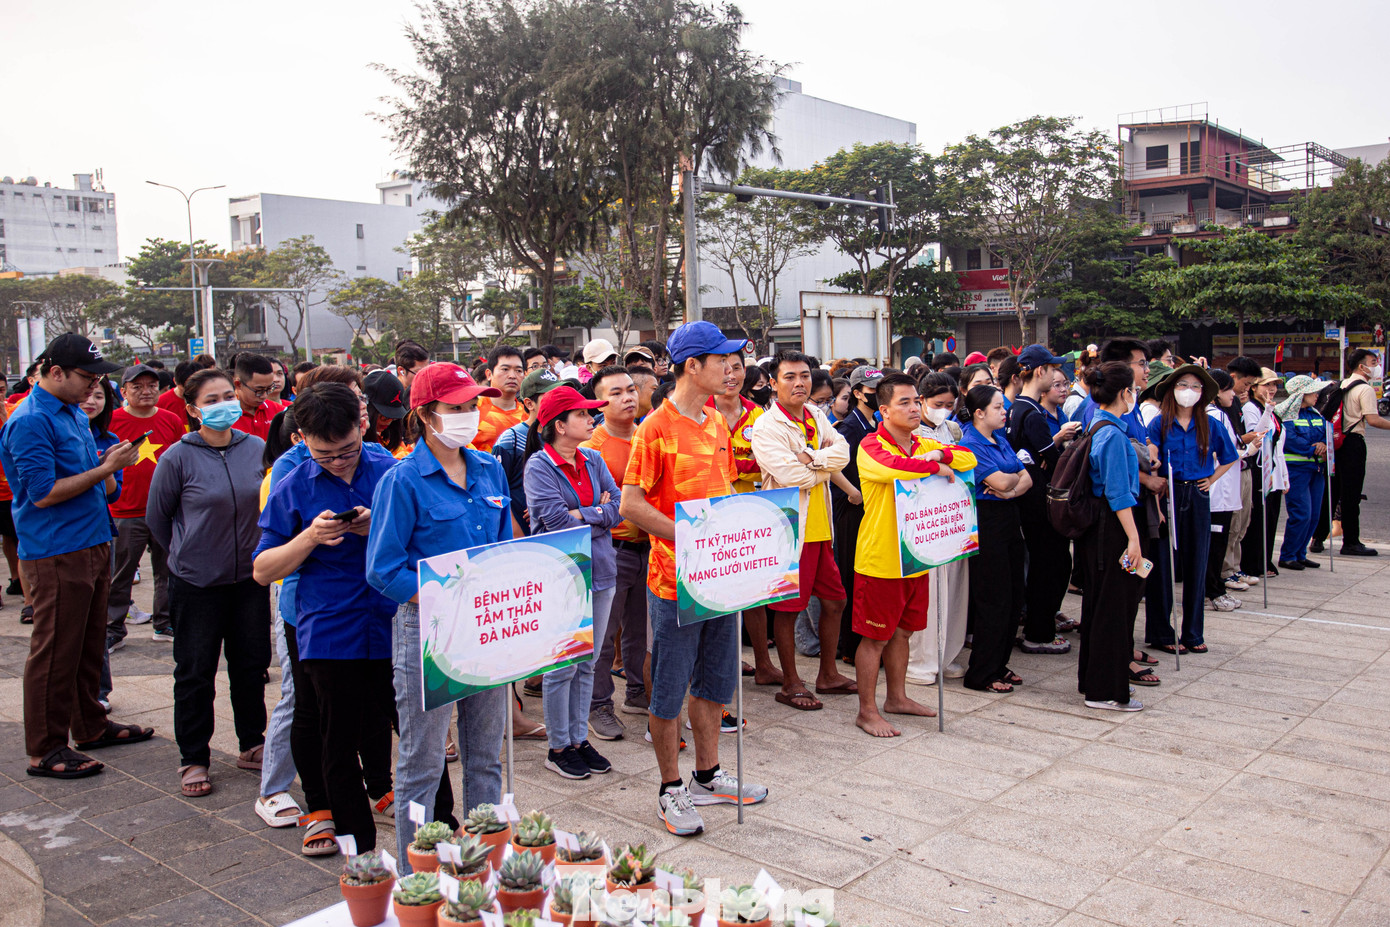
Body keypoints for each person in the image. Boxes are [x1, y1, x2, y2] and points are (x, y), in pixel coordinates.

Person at [618, 321, 768, 837]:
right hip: (673, 582)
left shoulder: (716, 422)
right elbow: (631, 504)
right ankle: (669, 788)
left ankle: (708, 775)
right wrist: (691, 537)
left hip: (720, 576)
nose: (732, 368)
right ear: (692, 366)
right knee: (668, 689)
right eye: (721, 360)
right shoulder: (654, 428)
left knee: (716, 681)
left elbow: (721, 493)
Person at [366, 363, 511, 871]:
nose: (468, 415)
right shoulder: (401, 480)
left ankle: (483, 861)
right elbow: (383, 570)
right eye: (455, 407)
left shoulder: (490, 469)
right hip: (427, 630)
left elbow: (503, 548)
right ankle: (415, 874)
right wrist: (442, 596)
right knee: (422, 763)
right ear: (425, 415)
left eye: (472, 406)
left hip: (485, 627)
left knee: (485, 757)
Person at [254, 383, 398, 852]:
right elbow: (262, 569)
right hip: (330, 629)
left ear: (363, 426)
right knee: (334, 737)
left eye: (347, 450)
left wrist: (377, 525)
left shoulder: (391, 471)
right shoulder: (293, 483)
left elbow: (425, 541)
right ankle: (358, 848)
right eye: (324, 455)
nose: (338, 462)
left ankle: (436, 827)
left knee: (411, 730)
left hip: (393, 621)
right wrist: (310, 537)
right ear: (301, 438)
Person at [0, 334, 150, 780]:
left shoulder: (72, 413)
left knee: (88, 644)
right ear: (55, 372)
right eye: (87, 376)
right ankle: (45, 748)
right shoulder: (31, 420)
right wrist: (105, 469)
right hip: (57, 549)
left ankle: (90, 725)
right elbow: (43, 493)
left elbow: (92, 478)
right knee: (55, 651)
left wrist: (109, 466)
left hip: (92, 539)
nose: (94, 386)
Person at [147, 367, 271, 798]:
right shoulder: (177, 457)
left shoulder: (255, 448)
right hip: (196, 583)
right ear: (193, 409)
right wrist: (188, 554)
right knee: (195, 671)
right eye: (211, 400)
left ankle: (252, 742)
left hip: (250, 579)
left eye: (227, 397)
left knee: (251, 666)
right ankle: (194, 756)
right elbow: (158, 519)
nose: (223, 406)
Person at [852, 373, 974, 736]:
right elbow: (893, 468)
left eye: (916, 401)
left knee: (904, 632)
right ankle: (866, 711)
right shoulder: (871, 445)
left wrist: (939, 453)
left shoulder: (923, 443)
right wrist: (936, 466)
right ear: (884, 411)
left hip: (917, 555)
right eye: (903, 402)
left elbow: (968, 458)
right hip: (881, 558)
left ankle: (897, 697)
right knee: (875, 638)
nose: (914, 408)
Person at [521, 386, 621, 779]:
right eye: (581, 414)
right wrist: (596, 512)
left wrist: (583, 513)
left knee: (587, 662)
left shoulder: (593, 458)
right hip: (563, 576)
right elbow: (557, 523)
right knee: (562, 664)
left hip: (602, 570)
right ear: (559, 425)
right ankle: (558, 745)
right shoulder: (539, 466)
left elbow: (618, 508)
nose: (591, 419)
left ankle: (579, 738)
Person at [751, 351, 857, 711]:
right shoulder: (766, 426)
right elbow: (790, 475)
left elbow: (843, 453)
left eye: (805, 376)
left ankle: (827, 674)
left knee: (835, 600)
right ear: (773, 383)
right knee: (788, 608)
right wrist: (822, 461)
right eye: (790, 377)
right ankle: (791, 682)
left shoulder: (815, 414)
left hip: (821, 528)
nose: (799, 383)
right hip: (790, 528)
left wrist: (812, 459)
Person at [1145, 365, 1237, 654]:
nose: (1189, 391)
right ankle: (1161, 632)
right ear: (1172, 389)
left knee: (1197, 562)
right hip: (1167, 493)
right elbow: (1151, 459)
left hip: (1197, 494)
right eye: (1183, 385)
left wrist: (1211, 479)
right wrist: (1156, 495)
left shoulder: (1211, 424)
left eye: (1196, 387)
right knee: (1162, 565)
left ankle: (1193, 633)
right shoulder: (1159, 423)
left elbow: (1230, 456)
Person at [1079, 361, 1151, 711]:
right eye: (1133, 389)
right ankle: (1105, 690)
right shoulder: (1112, 435)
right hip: (1113, 528)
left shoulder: (1098, 425)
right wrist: (1134, 539)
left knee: (1101, 606)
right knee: (1113, 610)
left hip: (1101, 528)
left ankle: (1095, 681)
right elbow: (1119, 494)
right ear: (1125, 392)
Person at [585, 367, 651, 739]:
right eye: (616, 393)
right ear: (598, 402)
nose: (627, 397)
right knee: (603, 635)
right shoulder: (591, 446)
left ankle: (638, 692)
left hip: (650, 547)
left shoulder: (647, 435)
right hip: (610, 549)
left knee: (640, 631)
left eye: (630, 390)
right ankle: (598, 705)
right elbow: (594, 503)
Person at [707, 356, 777, 686]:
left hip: (752, 511)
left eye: (736, 368)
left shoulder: (760, 414)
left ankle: (764, 663)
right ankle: (719, 666)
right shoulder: (700, 412)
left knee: (754, 593)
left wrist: (737, 466)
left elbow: (769, 463)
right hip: (711, 514)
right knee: (715, 595)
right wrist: (742, 464)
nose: (730, 375)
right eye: (723, 367)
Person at [1006, 345, 1080, 655]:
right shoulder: (1032, 413)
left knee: (1045, 565)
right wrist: (1055, 451)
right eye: (1052, 370)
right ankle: (1039, 632)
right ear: (1040, 372)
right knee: (1049, 566)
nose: (1057, 377)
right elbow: (1053, 461)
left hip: (1030, 501)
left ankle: (1040, 627)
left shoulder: (1018, 407)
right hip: (1039, 504)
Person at [105, 365, 184, 650]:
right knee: (121, 574)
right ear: (123, 391)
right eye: (137, 386)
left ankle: (164, 623)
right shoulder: (111, 420)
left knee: (168, 571)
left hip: (166, 511)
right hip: (126, 512)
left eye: (152, 385)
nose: (146, 391)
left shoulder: (171, 419)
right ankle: (113, 628)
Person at [960, 385, 1031, 692]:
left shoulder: (999, 438)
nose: (1005, 412)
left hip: (1008, 515)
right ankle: (982, 672)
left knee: (1014, 595)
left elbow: (1026, 478)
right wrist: (1010, 483)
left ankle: (1000, 664)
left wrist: (1010, 490)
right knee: (994, 598)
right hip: (986, 522)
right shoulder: (970, 443)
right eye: (998, 408)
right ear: (979, 412)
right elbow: (1001, 480)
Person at [905, 373, 971, 685]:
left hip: (952, 518)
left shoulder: (953, 429)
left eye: (949, 404)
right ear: (922, 401)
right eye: (937, 403)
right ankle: (920, 660)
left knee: (954, 589)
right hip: (923, 522)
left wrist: (944, 455)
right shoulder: (910, 432)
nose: (943, 410)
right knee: (927, 593)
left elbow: (967, 459)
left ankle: (947, 653)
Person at [831, 365, 883, 666]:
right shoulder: (849, 428)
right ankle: (849, 645)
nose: (878, 394)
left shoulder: (875, 423)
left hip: (871, 508)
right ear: (858, 393)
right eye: (873, 390)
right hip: (851, 510)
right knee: (851, 575)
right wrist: (854, 493)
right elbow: (835, 467)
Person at [1202, 370, 1253, 612]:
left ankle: (1214, 588)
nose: (1233, 394)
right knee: (1215, 546)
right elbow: (1226, 453)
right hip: (1218, 492)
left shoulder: (1214, 414)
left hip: (1221, 491)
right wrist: (1250, 449)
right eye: (1228, 389)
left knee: (1216, 544)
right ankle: (1213, 591)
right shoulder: (1215, 415)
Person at [1333, 349, 1390, 556]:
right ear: (1361, 366)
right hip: (1353, 442)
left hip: (1337, 441)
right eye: (1373, 363)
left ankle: (1317, 538)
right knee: (1351, 493)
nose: (1376, 367)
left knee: (1334, 491)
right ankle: (1350, 542)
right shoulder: (1365, 389)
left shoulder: (1342, 384)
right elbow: (1373, 419)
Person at [1276, 375, 1330, 573]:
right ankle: (1288, 556)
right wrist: (1314, 448)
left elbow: (1326, 434)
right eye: (1313, 392)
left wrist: (1323, 443)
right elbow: (1290, 439)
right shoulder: (1286, 415)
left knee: (1314, 515)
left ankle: (1300, 554)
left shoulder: (1315, 414)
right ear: (1301, 394)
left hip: (1317, 470)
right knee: (1301, 514)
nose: (1317, 395)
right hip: (1296, 471)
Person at [1243, 369, 1288, 579]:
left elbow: (1279, 447)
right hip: (1259, 469)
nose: (1271, 389)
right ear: (1254, 387)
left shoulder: (1270, 409)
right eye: (1266, 385)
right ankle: (1254, 563)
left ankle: (1265, 559)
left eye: (1274, 385)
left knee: (1270, 518)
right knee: (1258, 520)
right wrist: (1268, 411)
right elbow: (1256, 436)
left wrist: (1284, 476)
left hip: (1273, 471)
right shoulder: (1251, 408)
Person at [474, 345, 527, 452]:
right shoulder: (473, 409)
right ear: (489, 374)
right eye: (505, 369)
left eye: (518, 370)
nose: (512, 376)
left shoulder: (528, 414)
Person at [231, 354, 287, 440]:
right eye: (259, 390)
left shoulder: (280, 412)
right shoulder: (227, 418)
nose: (264, 396)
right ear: (238, 384)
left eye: (269, 389)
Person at [363, 369, 410, 458]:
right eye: (384, 416)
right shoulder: (356, 445)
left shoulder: (391, 441)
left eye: (394, 417)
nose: (389, 421)